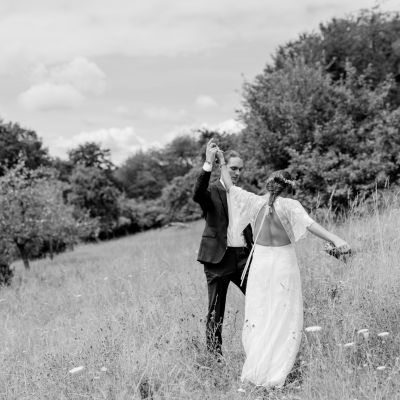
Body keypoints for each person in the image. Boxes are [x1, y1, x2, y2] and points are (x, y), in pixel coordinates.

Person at [216, 148, 351, 389]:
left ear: (269, 185)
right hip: (283, 264)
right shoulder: (290, 205)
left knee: (260, 313)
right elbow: (310, 224)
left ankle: (258, 368)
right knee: (284, 315)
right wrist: (335, 238)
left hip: (260, 265)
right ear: (288, 187)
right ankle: (277, 371)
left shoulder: (253, 201)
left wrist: (221, 162)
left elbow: (228, 185)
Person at [193, 139, 253, 356]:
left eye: (240, 169)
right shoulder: (211, 191)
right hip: (217, 260)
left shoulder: (242, 194)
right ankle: (214, 358)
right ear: (223, 166)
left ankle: (261, 349)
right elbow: (197, 193)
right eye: (233, 168)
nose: (237, 173)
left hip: (243, 258)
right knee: (215, 312)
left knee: (260, 300)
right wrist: (209, 162)